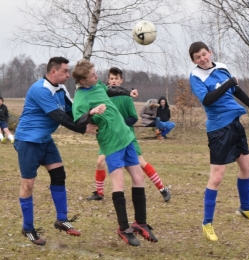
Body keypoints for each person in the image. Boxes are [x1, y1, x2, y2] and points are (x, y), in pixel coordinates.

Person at [72, 60, 158, 247]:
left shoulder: (97, 85)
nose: (96, 76)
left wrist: (128, 92)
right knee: (118, 183)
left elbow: (110, 90)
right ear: (83, 81)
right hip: (111, 143)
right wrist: (91, 112)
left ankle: (140, 223)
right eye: (92, 75)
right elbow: (77, 121)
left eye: (95, 73)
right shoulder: (80, 97)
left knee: (138, 178)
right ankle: (123, 227)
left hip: (126, 137)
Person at [13, 57, 95, 246]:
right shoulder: (40, 90)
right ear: (53, 72)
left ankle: (61, 219)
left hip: (45, 140)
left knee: (59, 175)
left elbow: (70, 112)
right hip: (28, 141)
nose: (68, 75)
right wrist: (82, 129)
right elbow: (59, 117)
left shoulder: (61, 89)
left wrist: (89, 116)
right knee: (28, 184)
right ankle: (28, 227)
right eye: (65, 71)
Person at [189, 41, 249, 242]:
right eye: (197, 57)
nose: (202, 58)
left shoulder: (222, 67)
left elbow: (236, 91)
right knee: (217, 177)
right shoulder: (196, 77)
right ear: (194, 61)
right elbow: (208, 100)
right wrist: (230, 83)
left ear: (210, 52)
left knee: (247, 167)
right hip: (219, 129)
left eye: (204, 54)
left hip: (235, 123)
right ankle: (207, 223)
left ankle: (244, 209)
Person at [87, 67, 171, 202]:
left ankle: (162, 188)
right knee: (100, 162)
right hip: (109, 138)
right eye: (111, 78)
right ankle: (99, 193)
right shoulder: (103, 96)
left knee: (140, 162)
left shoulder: (126, 98)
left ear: (121, 81)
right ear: (108, 80)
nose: (114, 81)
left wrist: (119, 124)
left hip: (126, 136)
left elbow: (133, 118)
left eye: (116, 79)